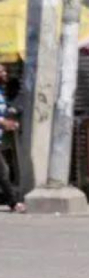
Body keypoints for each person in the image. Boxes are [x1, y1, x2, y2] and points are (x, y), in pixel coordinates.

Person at [0, 64, 25, 213]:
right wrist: (4, 123)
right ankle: (13, 203)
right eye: (1, 71)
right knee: (3, 171)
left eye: (5, 70)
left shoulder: (2, 93)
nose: (5, 73)